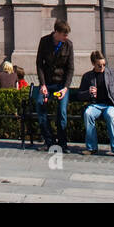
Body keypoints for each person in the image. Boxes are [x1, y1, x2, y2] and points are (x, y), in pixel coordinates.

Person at [77, 51, 114, 157]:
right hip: (95, 105)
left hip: (110, 105)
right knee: (88, 114)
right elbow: (79, 95)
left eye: (104, 64)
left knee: (111, 115)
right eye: (99, 65)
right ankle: (91, 148)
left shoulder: (112, 74)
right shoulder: (87, 76)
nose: (102, 67)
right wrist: (88, 92)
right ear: (93, 64)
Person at [33, 20, 75, 150]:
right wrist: (43, 85)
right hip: (47, 83)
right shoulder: (44, 41)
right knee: (40, 104)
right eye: (64, 34)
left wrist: (66, 87)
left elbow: (70, 68)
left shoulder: (68, 45)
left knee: (62, 111)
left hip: (61, 84)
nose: (66, 37)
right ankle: (49, 141)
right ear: (56, 32)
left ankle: (62, 143)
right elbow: (39, 64)